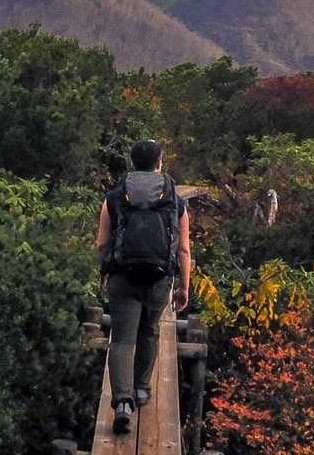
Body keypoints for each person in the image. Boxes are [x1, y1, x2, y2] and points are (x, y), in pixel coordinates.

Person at [95, 139, 191, 435]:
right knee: (149, 331)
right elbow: (184, 250)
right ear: (159, 162)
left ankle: (122, 403)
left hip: (123, 277)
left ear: (133, 162)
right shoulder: (176, 201)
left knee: (122, 340)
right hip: (160, 279)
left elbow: (101, 243)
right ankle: (141, 389)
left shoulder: (113, 198)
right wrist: (184, 286)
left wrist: (104, 272)